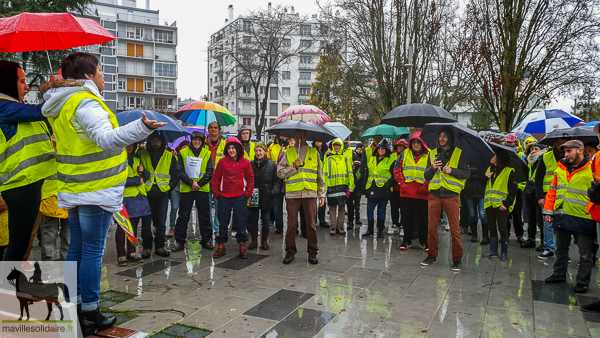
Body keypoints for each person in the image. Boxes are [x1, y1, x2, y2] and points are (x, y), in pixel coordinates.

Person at [41, 52, 163, 335]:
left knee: (77, 250)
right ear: (87, 76)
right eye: (100, 70)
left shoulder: (62, 104)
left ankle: (74, 307)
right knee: (92, 253)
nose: (103, 76)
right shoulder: (85, 101)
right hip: (95, 191)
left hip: (76, 188)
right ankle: (90, 313)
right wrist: (141, 128)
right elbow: (106, 140)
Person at [0, 61, 57, 261]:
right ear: (7, 82)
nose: (26, 86)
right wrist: (51, 92)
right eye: (22, 81)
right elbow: (40, 111)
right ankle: (6, 291)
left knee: (19, 245)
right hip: (19, 186)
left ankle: (7, 289)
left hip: (28, 185)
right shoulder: (2, 106)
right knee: (17, 247)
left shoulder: (13, 106)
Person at [543, 140, 595, 294]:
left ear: (580, 151)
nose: (566, 155)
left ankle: (582, 282)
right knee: (560, 249)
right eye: (565, 152)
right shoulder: (561, 169)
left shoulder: (591, 169)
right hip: (562, 215)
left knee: (585, 254)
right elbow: (553, 191)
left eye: (569, 151)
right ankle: (559, 274)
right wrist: (548, 210)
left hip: (583, 217)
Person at [421, 127, 470, 271]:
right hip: (434, 195)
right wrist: (432, 168)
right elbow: (426, 176)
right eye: (440, 136)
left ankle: (457, 259)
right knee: (431, 228)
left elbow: (466, 174)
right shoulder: (432, 153)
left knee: (455, 229)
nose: (442, 138)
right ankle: (431, 255)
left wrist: (452, 171)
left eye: (445, 136)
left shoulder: (459, 154)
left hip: (451, 196)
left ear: (450, 138)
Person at [277, 130, 326, 265]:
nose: (299, 139)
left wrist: (322, 194)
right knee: (292, 224)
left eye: (301, 137)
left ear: (306, 137)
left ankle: (312, 252)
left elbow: (319, 175)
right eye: (296, 137)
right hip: (293, 194)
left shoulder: (314, 153)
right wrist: (294, 167)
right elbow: (280, 173)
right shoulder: (288, 153)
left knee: (311, 225)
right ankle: (290, 251)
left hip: (310, 193)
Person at [139, 131, 182, 257]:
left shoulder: (169, 156)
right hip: (146, 194)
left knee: (161, 222)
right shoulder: (141, 154)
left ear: (162, 142)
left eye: (158, 140)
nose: (155, 143)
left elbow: (176, 174)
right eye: (153, 140)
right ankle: (147, 247)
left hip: (162, 194)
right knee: (146, 223)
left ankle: (160, 246)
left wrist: (169, 188)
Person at [212, 137, 254, 259]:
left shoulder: (245, 162)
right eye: (229, 148)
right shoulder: (222, 162)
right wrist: (216, 192)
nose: (231, 150)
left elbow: (250, 178)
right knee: (223, 222)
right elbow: (216, 178)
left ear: (238, 149)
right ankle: (221, 244)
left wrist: (248, 193)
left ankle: (242, 244)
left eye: (233, 148)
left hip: (240, 197)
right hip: (224, 196)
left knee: (241, 221)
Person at [173, 132, 214, 252]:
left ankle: (206, 240)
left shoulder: (207, 153)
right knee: (183, 216)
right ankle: (180, 241)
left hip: (202, 189)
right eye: (195, 139)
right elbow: (179, 171)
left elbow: (209, 171)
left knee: (205, 216)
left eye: (199, 140)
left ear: (202, 141)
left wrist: (199, 184)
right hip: (187, 189)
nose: (197, 142)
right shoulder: (184, 153)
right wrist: (191, 183)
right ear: (191, 140)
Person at [116, 143, 151, 266]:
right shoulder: (118, 160)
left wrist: (143, 172)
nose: (129, 146)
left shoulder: (137, 160)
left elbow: (145, 177)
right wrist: (136, 180)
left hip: (137, 197)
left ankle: (131, 252)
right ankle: (121, 254)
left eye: (132, 144)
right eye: (127, 144)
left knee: (134, 227)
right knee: (122, 227)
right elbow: (118, 179)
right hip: (124, 198)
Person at [394, 131, 430, 251]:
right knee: (406, 218)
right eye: (414, 142)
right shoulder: (404, 153)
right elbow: (396, 168)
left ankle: (423, 241)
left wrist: (426, 185)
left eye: (418, 142)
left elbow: (433, 172)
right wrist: (402, 182)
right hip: (406, 191)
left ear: (422, 143)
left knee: (423, 219)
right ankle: (406, 240)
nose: (415, 144)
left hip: (423, 193)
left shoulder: (429, 155)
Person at [482, 150, 517, 261]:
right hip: (489, 204)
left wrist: (506, 204)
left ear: (499, 158)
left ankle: (504, 253)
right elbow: (482, 185)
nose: (492, 157)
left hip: (501, 205)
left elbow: (513, 190)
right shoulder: (489, 170)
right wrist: (485, 177)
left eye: (494, 155)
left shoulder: (509, 171)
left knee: (502, 228)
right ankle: (493, 251)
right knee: (491, 227)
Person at [535, 138, 568, 259]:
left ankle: (564, 251)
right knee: (547, 223)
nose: (561, 146)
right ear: (555, 144)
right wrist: (539, 196)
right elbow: (538, 177)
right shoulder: (546, 157)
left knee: (564, 224)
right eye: (559, 144)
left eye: (564, 144)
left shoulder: (570, 157)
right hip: (547, 194)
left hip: (565, 195)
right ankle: (549, 248)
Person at [248, 142, 281, 249]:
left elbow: (277, 181)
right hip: (253, 196)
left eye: (260, 151)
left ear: (265, 152)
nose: (258, 153)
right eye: (256, 151)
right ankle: (254, 241)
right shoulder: (251, 164)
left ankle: (264, 241)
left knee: (266, 219)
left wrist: (273, 192)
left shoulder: (271, 165)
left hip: (267, 196)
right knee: (253, 219)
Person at [361, 139, 396, 238]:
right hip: (371, 188)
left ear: (386, 150)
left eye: (383, 149)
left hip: (383, 189)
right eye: (379, 148)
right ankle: (370, 230)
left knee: (382, 210)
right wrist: (363, 187)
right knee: (369, 210)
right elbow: (367, 173)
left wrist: (388, 185)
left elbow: (395, 175)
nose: (381, 150)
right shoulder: (372, 159)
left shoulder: (391, 161)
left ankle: (380, 231)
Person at [323, 139, 355, 235]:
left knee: (342, 208)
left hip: (342, 186)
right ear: (332, 147)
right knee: (332, 208)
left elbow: (350, 173)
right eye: (335, 146)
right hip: (332, 186)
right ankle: (333, 227)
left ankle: (340, 227)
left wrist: (351, 186)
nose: (336, 147)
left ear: (341, 147)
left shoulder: (345, 159)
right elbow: (325, 174)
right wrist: (324, 188)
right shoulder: (328, 159)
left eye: (338, 146)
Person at [521, 143, 547, 249]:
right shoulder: (528, 160)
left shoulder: (543, 160)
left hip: (539, 191)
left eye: (536, 149)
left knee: (540, 219)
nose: (533, 151)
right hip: (529, 190)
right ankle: (531, 239)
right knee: (531, 217)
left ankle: (543, 241)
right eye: (532, 149)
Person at [207, 122, 226, 236]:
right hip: (205, 181)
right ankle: (209, 229)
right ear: (208, 130)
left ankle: (218, 229)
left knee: (220, 208)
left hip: (220, 182)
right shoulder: (203, 144)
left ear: (219, 130)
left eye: (215, 128)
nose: (213, 129)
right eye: (211, 128)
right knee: (207, 208)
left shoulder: (225, 144)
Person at [167, 141, 189, 238]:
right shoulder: (174, 158)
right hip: (175, 187)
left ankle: (181, 227)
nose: (184, 149)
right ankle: (172, 227)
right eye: (183, 147)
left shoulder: (189, 159)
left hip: (185, 187)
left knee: (183, 210)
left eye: (186, 147)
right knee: (174, 208)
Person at [389, 139, 408, 235]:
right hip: (394, 188)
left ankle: (403, 225)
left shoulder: (408, 156)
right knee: (394, 207)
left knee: (404, 208)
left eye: (402, 146)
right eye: (398, 146)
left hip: (404, 188)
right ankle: (395, 224)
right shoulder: (392, 156)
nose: (400, 148)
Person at [347, 143, 364, 230]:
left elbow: (360, 173)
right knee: (350, 203)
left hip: (358, 185)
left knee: (357, 203)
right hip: (350, 184)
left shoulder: (362, 158)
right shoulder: (352, 156)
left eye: (360, 149)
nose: (359, 151)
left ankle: (357, 218)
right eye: (357, 149)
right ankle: (350, 220)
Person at [314, 141, 329, 228]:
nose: (318, 142)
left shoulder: (327, 151)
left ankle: (322, 219)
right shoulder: (312, 150)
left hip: (324, 178)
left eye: (320, 141)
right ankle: (314, 220)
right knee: (314, 202)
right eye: (316, 141)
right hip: (315, 177)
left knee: (323, 200)